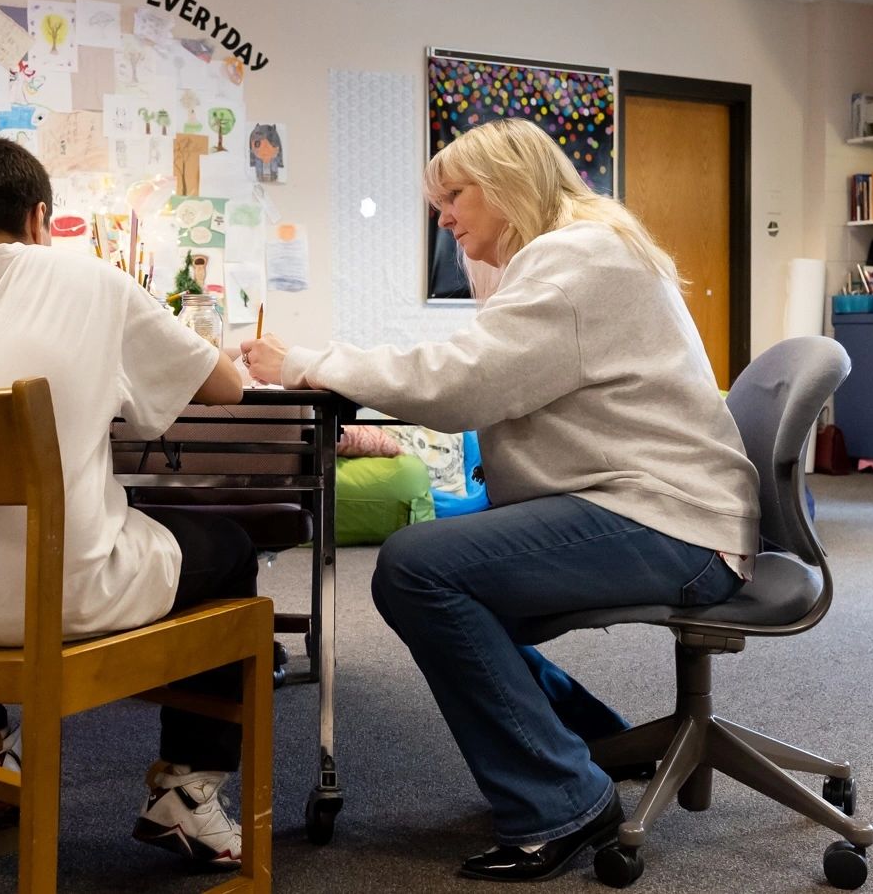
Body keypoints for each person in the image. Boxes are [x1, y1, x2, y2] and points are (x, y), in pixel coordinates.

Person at [240, 117, 760, 883]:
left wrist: (304, 362)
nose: (443, 218)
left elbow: (461, 382)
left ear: (514, 185)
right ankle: (586, 745)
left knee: (420, 568)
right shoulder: (576, 250)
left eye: (453, 195)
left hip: (669, 522)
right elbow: (484, 363)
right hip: (661, 508)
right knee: (450, 581)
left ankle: (561, 799)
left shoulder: (576, 257)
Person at [0, 137, 254, 868]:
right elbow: (224, 388)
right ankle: (184, 793)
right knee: (230, 550)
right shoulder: (92, 284)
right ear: (40, 217)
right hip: (55, 598)